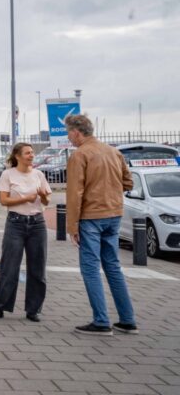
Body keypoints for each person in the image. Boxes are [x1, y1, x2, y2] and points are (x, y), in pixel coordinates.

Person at [65, 113, 138, 336]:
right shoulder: (113, 151)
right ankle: (127, 320)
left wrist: (72, 226)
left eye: (69, 133)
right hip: (114, 214)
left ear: (76, 132)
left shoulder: (80, 155)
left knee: (90, 268)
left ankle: (101, 321)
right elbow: (128, 182)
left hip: (91, 216)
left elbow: (75, 193)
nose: (69, 137)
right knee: (113, 266)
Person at [0, 142, 51, 322]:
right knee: (9, 267)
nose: (32, 155)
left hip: (37, 224)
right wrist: (26, 198)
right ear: (17, 156)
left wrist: (43, 196)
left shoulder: (39, 174)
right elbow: (4, 201)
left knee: (38, 268)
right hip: (15, 223)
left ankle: (33, 310)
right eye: (28, 153)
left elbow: (46, 201)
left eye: (32, 153)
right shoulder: (8, 174)